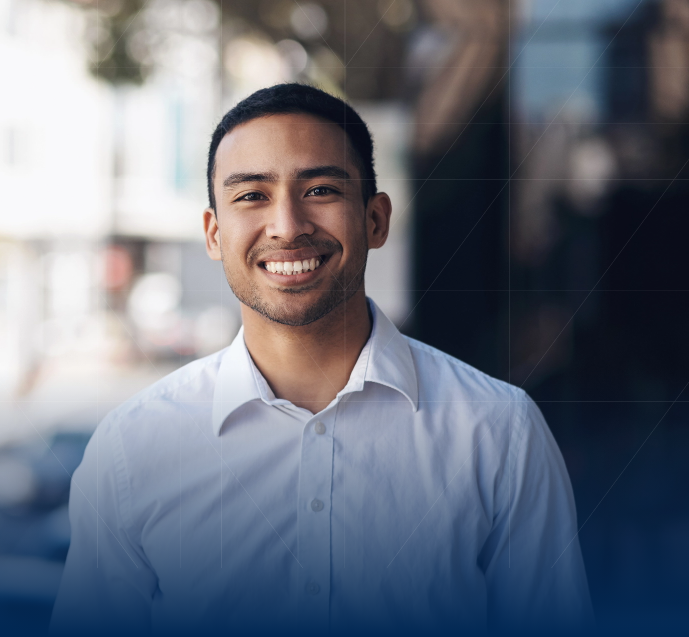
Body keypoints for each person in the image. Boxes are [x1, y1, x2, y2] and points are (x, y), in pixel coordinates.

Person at [51, 84, 593, 637]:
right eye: (251, 196)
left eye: (320, 188)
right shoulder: (130, 449)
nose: (287, 225)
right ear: (214, 235)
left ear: (376, 220)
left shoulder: (500, 431)